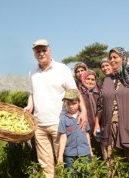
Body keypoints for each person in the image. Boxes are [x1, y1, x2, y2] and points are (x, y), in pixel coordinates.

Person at [24, 39, 88, 178]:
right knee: (45, 164)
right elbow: (32, 93)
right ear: (34, 53)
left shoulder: (61, 68)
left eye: (43, 50)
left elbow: (74, 91)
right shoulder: (32, 72)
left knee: (62, 160)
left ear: (49, 50)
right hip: (39, 125)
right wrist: (30, 105)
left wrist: (84, 111)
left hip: (58, 123)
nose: (41, 53)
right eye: (38, 51)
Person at [94, 47, 129, 165]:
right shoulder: (107, 80)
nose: (112, 60)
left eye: (115, 57)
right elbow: (100, 105)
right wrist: (96, 124)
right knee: (112, 166)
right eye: (110, 58)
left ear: (124, 58)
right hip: (110, 129)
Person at [57, 89, 92, 172]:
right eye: (68, 104)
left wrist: (90, 150)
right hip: (70, 155)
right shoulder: (63, 119)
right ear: (65, 103)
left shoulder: (83, 118)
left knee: (87, 174)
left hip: (85, 153)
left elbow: (87, 135)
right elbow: (63, 137)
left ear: (79, 103)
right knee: (72, 174)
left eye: (74, 103)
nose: (71, 106)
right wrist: (60, 156)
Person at [79, 70, 100, 142]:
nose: (90, 81)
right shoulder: (79, 94)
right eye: (87, 79)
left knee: (100, 147)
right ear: (83, 79)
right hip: (84, 129)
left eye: (93, 79)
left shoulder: (99, 93)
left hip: (99, 128)